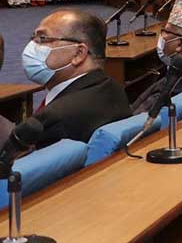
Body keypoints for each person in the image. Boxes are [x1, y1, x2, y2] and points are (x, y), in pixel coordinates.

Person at [22, 10, 132, 148]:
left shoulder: (55, 118)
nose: (32, 46)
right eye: (33, 38)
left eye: (42, 38)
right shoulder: (112, 87)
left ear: (78, 53)